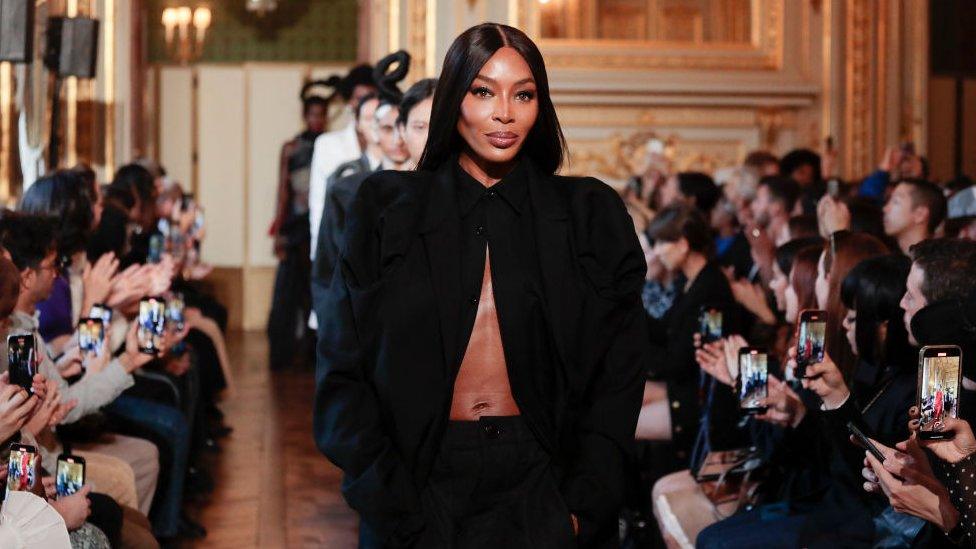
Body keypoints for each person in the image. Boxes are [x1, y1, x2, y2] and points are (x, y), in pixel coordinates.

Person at [314, 23, 648, 548]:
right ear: (454, 97)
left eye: (524, 94)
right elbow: (342, 363)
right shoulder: (387, 208)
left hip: (543, 477)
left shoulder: (588, 214)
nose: (505, 113)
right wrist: (388, 498)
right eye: (483, 91)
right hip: (419, 477)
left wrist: (584, 503)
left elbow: (620, 369)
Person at [311, 51, 411, 292]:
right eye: (386, 128)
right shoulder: (345, 180)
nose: (396, 138)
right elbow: (320, 215)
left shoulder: (427, 183)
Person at [266, 87, 327, 369]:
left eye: (321, 115)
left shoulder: (329, 147)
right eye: (313, 114)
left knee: (311, 292)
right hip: (294, 225)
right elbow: (283, 191)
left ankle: (311, 355)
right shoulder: (291, 148)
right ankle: (283, 353)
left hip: (318, 224)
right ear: (305, 116)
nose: (317, 119)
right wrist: (278, 231)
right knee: (287, 293)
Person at [307, 65, 377, 265]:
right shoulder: (328, 144)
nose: (362, 102)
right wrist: (318, 253)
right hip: (336, 246)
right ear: (349, 101)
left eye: (370, 96)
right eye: (358, 97)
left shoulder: (390, 143)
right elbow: (318, 201)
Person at [882, 179, 947, 255]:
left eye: (895, 202)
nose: (885, 209)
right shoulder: (884, 260)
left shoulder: (939, 263)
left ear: (920, 214)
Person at [396, 77, 437, 169]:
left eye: (438, 128)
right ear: (402, 130)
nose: (429, 139)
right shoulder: (388, 182)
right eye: (420, 127)